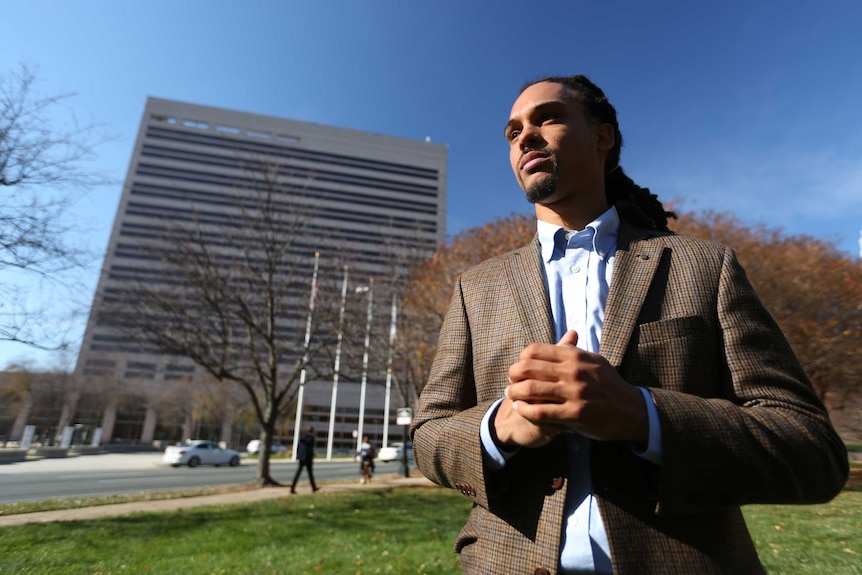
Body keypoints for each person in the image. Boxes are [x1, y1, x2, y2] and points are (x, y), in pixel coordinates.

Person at [410, 75, 848, 575]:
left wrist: (643, 414)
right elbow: (429, 436)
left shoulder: (705, 267)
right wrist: (499, 427)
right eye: (512, 132)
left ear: (603, 136)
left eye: (546, 117)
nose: (524, 136)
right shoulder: (476, 287)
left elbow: (812, 450)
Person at [290, 426, 319, 494]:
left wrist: (298, 455)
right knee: (310, 474)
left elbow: (299, 447)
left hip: (302, 458)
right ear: (312, 431)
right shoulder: (311, 438)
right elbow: (310, 448)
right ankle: (314, 487)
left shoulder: (302, 438)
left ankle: (292, 488)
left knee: (298, 473)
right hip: (307, 458)